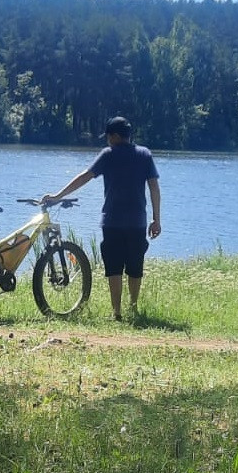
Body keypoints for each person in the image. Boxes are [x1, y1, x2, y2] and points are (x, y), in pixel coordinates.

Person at [42, 116, 161, 321]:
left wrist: (58, 196)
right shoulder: (144, 154)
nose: (107, 141)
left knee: (113, 267)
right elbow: (154, 187)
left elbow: (84, 177)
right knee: (135, 266)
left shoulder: (108, 155)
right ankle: (133, 307)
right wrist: (156, 219)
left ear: (114, 136)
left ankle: (117, 312)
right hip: (137, 221)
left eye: (108, 137)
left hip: (112, 221)